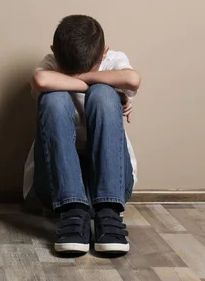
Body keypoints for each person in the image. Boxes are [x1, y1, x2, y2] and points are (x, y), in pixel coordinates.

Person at [23, 14, 141, 255]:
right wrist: (95, 83)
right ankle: (73, 211)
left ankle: (108, 213)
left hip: (111, 185)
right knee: (53, 98)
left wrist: (89, 84)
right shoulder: (50, 64)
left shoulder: (114, 61)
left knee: (103, 95)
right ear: (54, 52)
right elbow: (40, 79)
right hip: (57, 186)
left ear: (105, 52)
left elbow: (133, 78)